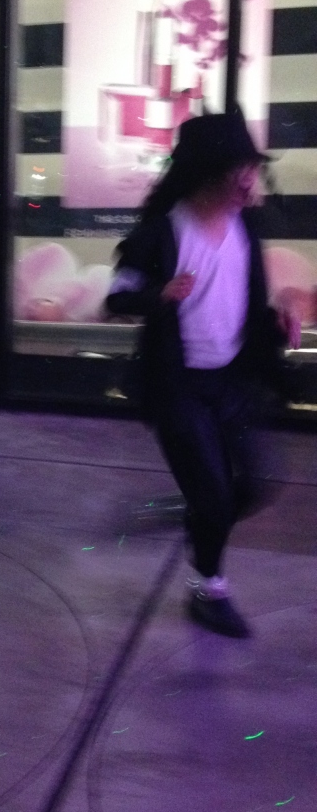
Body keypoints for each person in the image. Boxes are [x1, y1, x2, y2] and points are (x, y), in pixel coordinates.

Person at [107, 110, 300, 638]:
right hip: (179, 386)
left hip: (231, 381)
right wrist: (159, 295)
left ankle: (202, 514)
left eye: (252, 170)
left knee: (255, 484)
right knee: (214, 497)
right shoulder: (161, 234)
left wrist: (277, 317)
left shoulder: (246, 228)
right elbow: (117, 298)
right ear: (207, 173)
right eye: (240, 171)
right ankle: (208, 587)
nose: (250, 182)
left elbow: (241, 304)